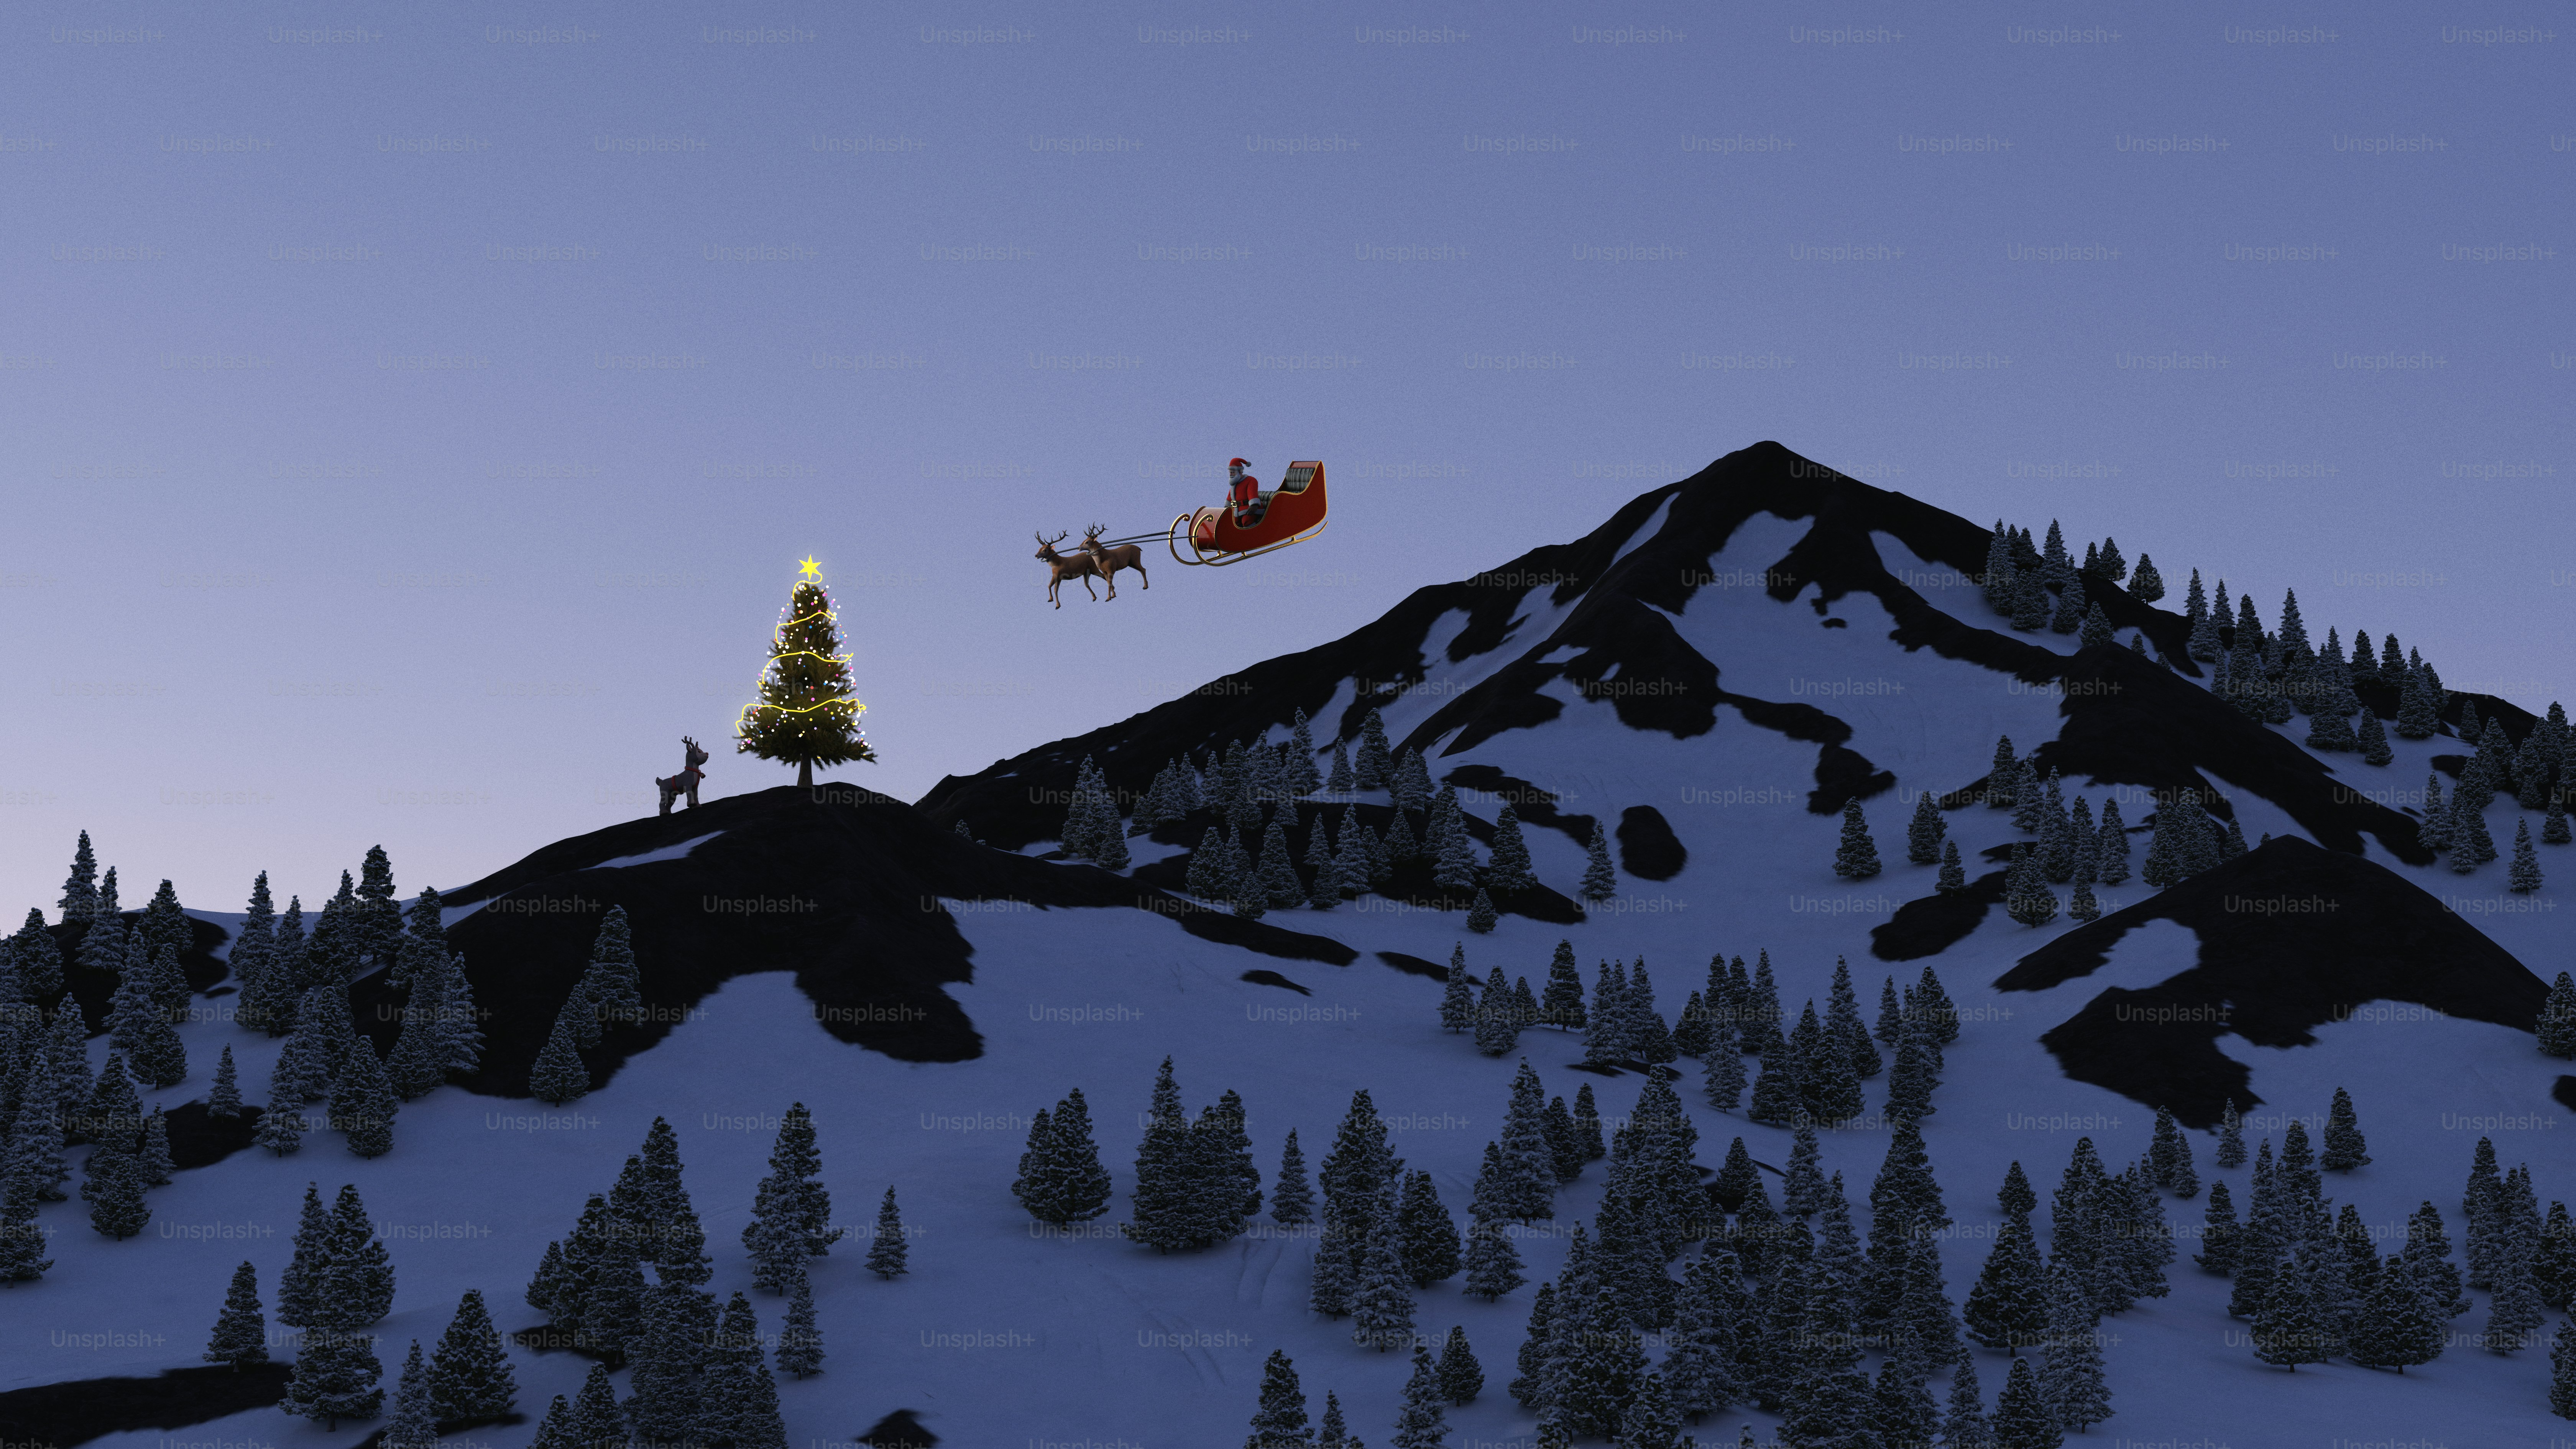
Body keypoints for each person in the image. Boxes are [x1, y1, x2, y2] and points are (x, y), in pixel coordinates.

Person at [1227, 457, 1263, 525]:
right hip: (1237, 510)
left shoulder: (1251, 480)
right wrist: (1227, 507)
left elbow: (1252, 494)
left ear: (1240, 472)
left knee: (1246, 522)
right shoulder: (1234, 484)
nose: (1231, 475)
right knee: (1233, 524)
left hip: (1249, 509)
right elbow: (1230, 497)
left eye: (1233, 472)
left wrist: (1254, 505)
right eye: (1230, 473)